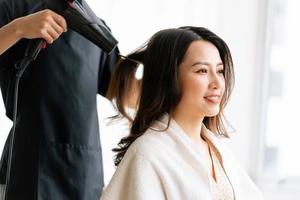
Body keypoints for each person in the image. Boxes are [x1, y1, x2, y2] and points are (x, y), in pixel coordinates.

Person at [101, 27, 264, 200]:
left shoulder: (219, 151)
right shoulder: (148, 154)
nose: (217, 83)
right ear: (170, 78)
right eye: (202, 70)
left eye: (220, 71)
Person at [0, 0, 119, 199]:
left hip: (85, 173)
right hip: (30, 170)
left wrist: (164, 61)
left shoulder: (98, 27)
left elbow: (127, 95)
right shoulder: (12, 7)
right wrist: (19, 28)